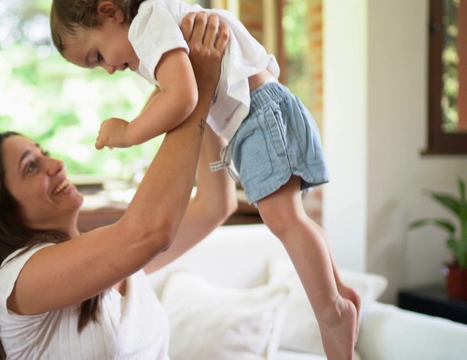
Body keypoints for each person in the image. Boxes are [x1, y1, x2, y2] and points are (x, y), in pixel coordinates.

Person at [49, 1, 361, 359]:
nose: (107, 69)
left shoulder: (146, 22)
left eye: (97, 55)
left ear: (110, 11)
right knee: (291, 217)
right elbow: (173, 90)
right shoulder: (156, 24)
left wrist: (130, 132)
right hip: (259, 112)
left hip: (258, 114)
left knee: (284, 219)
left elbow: (182, 97)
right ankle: (338, 292)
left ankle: (332, 312)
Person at [0, 12, 235, 359]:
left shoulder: (115, 260)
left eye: (43, 153)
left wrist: (199, 85)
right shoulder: (18, 279)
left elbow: (215, 205)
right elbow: (149, 232)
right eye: (31, 167)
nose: (56, 164)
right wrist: (192, 92)